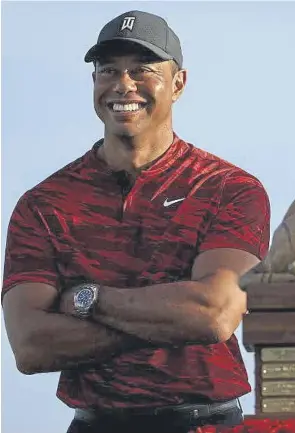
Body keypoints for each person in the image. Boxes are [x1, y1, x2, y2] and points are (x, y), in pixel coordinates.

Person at [2, 10, 270, 433]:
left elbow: (214, 314)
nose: (123, 85)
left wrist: (88, 300)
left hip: (206, 422)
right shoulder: (43, 204)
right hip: (94, 424)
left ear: (178, 83)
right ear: (94, 83)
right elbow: (31, 345)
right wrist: (172, 320)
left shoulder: (228, 189)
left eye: (142, 70)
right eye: (109, 70)